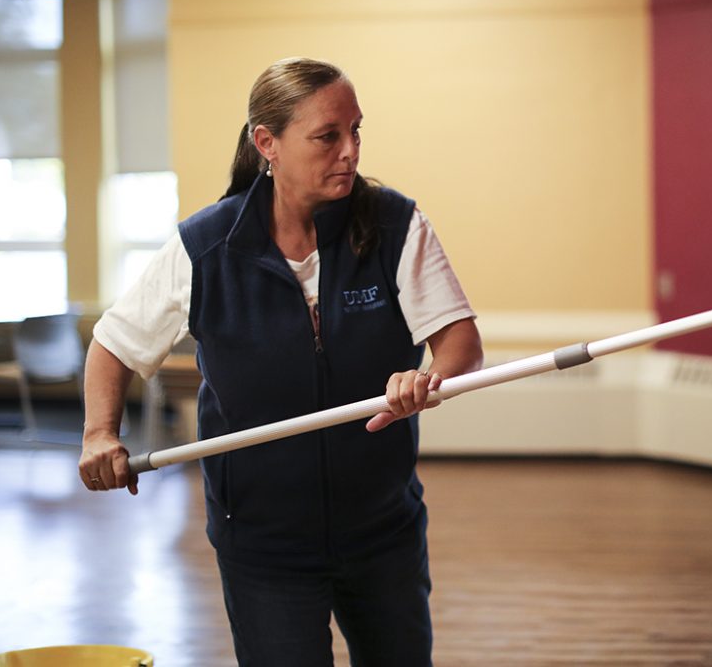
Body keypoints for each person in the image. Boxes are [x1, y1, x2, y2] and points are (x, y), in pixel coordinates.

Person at [78, 57, 483, 665]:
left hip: (382, 532)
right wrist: (98, 433)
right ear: (266, 143)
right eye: (328, 136)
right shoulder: (205, 248)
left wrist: (427, 377)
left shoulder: (395, 224)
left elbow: (461, 345)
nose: (350, 152)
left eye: (356, 132)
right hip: (262, 541)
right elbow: (114, 344)